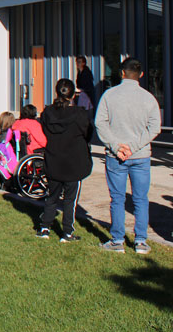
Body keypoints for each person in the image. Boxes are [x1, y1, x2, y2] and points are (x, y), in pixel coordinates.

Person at [95, 57, 162, 254]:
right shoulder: (149, 98)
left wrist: (117, 147)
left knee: (117, 199)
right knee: (141, 199)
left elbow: (100, 123)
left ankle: (117, 240)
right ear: (140, 74)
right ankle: (140, 241)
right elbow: (154, 127)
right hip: (140, 155)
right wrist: (133, 146)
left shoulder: (109, 95)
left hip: (116, 156)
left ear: (122, 73)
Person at [36, 79, 93, 243]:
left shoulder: (47, 113)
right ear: (73, 94)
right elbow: (88, 133)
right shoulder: (80, 114)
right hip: (74, 162)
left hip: (54, 158)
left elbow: (46, 131)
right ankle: (67, 232)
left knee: (51, 196)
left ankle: (45, 227)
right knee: (70, 200)